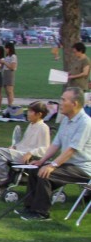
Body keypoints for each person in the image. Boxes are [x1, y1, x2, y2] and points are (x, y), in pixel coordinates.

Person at [17, 87, 91, 220]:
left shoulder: (85, 123)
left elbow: (72, 150)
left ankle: (41, 213)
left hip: (82, 167)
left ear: (74, 104)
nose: (60, 103)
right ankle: (29, 207)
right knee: (35, 170)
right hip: (68, 164)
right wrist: (42, 161)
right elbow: (56, 144)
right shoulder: (66, 120)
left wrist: (52, 165)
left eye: (63, 100)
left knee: (47, 174)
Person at [0, 102, 51, 196]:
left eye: (31, 111)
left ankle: (4, 179)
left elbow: (45, 148)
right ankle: (4, 178)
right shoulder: (31, 125)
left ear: (39, 114)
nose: (28, 114)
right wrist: (15, 147)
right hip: (21, 153)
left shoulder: (44, 128)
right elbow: (25, 143)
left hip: (29, 157)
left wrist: (31, 153)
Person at [2, 42, 18, 110]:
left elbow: (12, 67)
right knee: (6, 90)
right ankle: (9, 105)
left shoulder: (13, 56)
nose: (5, 49)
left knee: (10, 90)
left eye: (6, 48)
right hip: (5, 72)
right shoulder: (7, 56)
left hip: (10, 73)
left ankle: (11, 105)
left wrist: (4, 62)